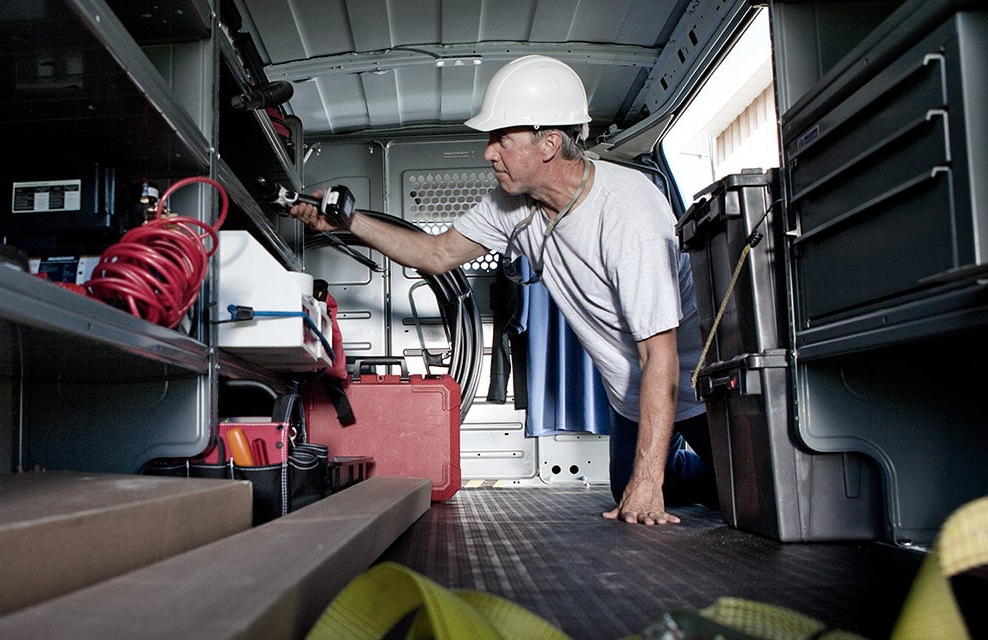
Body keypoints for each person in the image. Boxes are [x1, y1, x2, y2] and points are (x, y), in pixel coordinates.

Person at [289, 54, 716, 526]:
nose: (488, 152)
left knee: (733, 492)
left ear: (550, 143)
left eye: (502, 139)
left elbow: (661, 355)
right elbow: (434, 254)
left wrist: (649, 482)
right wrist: (347, 218)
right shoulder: (510, 205)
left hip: (695, 386)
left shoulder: (628, 210)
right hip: (629, 395)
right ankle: (661, 470)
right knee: (627, 487)